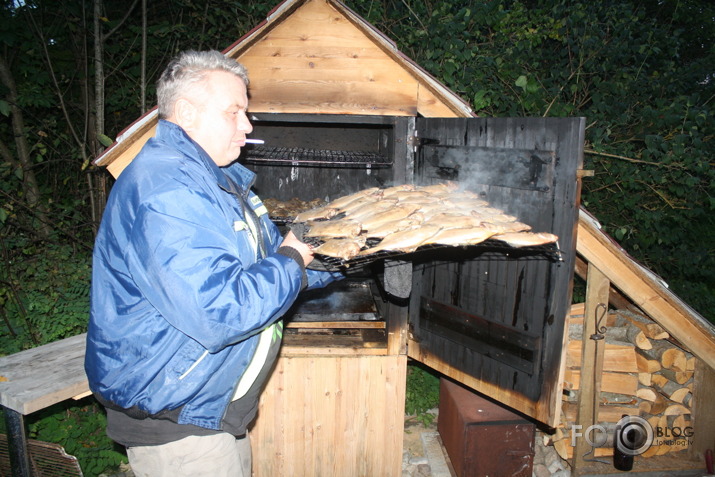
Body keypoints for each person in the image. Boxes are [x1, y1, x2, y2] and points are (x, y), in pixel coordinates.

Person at [85, 50, 340, 477]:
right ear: (186, 112)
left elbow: (271, 265)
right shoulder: (166, 190)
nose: (248, 125)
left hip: (207, 414)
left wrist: (353, 261)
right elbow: (222, 310)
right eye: (234, 111)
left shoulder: (218, 184)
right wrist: (294, 253)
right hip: (176, 420)